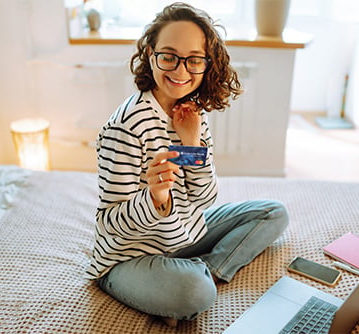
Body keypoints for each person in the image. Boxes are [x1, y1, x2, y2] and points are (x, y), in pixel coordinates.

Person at [85, 2, 289, 327]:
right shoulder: (125, 128)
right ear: (151, 55)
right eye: (169, 56)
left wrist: (193, 145)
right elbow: (110, 225)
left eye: (193, 60)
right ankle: (189, 282)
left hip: (184, 233)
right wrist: (155, 199)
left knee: (274, 213)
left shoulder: (191, 114)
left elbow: (205, 199)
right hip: (130, 256)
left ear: (207, 64)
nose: (181, 72)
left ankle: (209, 270)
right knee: (195, 293)